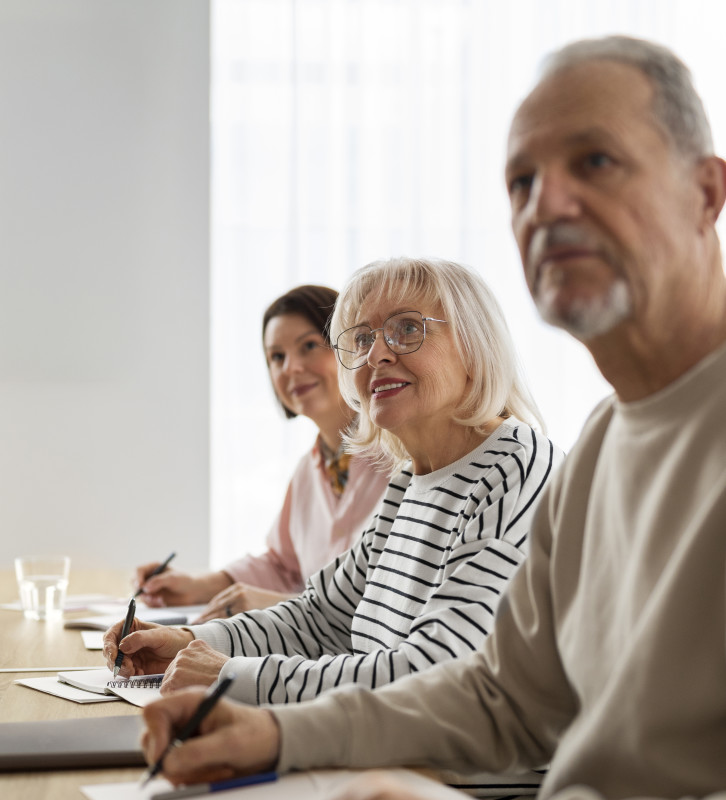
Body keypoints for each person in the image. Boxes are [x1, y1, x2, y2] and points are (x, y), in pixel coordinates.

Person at [139, 35, 726, 800]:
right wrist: (279, 730)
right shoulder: (601, 449)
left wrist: (248, 684)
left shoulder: (532, 460)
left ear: (705, 192)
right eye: (521, 181)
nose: (545, 204)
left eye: (595, 161)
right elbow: (505, 699)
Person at [106, 256, 563, 794]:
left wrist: (232, 676)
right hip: (378, 770)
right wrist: (189, 640)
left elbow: (434, 675)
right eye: (362, 338)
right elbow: (323, 618)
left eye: (408, 329)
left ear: (475, 344)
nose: (379, 354)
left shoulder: (516, 468)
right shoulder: (411, 476)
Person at [135, 284, 389, 623]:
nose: (291, 368)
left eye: (309, 346)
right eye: (277, 357)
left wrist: (270, 605)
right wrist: (197, 585)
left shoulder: (403, 457)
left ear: (352, 346)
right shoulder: (309, 471)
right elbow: (283, 567)